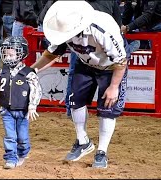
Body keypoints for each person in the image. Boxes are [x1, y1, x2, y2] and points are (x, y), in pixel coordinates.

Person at [31, 1, 129, 168]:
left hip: (111, 66)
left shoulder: (102, 28)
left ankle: (102, 152)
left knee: (107, 108)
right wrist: (31, 70)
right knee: (74, 100)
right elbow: (51, 54)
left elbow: (121, 60)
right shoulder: (63, 31)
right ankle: (83, 141)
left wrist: (114, 87)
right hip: (85, 63)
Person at [0, 36, 42, 169]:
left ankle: (22, 153)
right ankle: (11, 158)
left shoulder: (28, 73)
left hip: (23, 112)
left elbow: (36, 90)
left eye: (11, 54)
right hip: (7, 111)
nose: (7, 57)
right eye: (6, 54)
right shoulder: (2, 71)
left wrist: (32, 106)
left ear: (21, 54)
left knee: (23, 138)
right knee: (10, 136)